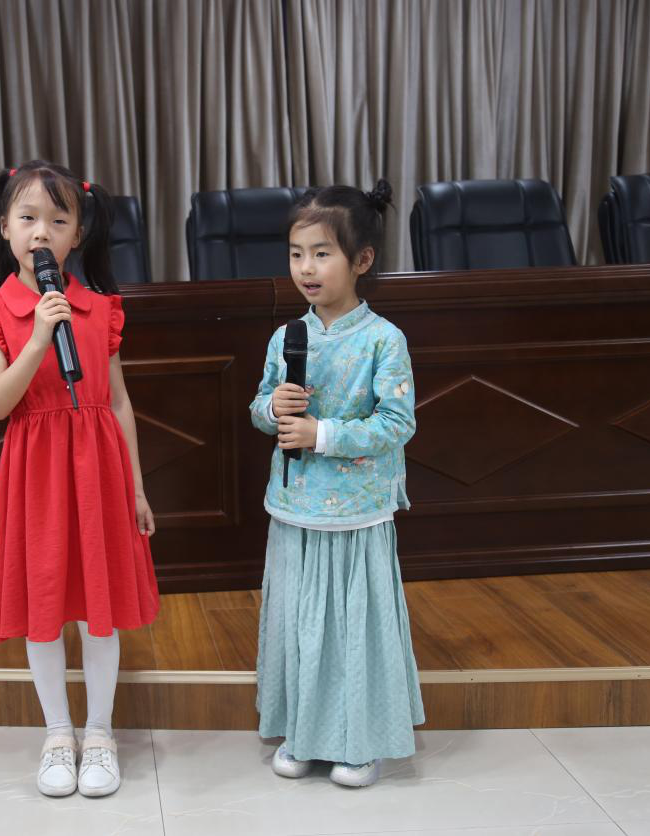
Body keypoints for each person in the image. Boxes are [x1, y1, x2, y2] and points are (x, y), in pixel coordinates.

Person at [0, 160, 159, 798]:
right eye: (27, 218)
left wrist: (136, 487)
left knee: (100, 610)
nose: (41, 232)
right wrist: (39, 336)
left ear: (78, 234)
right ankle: (57, 734)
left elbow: (120, 402)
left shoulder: (100, 309)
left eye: (57, 219)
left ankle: (99, 733)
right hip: (38, 478)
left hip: (100, 471)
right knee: (43, 607)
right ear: (5, 227)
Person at [249, 180, 425, 788]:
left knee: (352, 629)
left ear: (362, 260)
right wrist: (272, 407)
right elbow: (259, 407)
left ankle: (359, 741)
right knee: (301, 626)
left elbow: (396, 423)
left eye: (322, 254)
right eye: (297, 254)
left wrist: (321, 433)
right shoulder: (286, 337)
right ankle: (303, 732)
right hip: (294, 506)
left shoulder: (383, 339)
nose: (306, 268)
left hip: (356, 512)